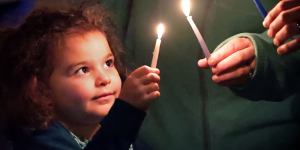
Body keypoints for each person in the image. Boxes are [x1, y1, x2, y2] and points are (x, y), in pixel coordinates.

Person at [101, 0, 300, 150]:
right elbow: (99, 22)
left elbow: (292, 30)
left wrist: (263, 55)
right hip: (150, 137)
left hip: (265, 135)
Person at [0, 3, 160, 150]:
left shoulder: (114, 130)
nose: (104, 78)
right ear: (40, 89)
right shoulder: (41, 142)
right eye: (83, 70)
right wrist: (127, 112)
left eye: (108, 63)